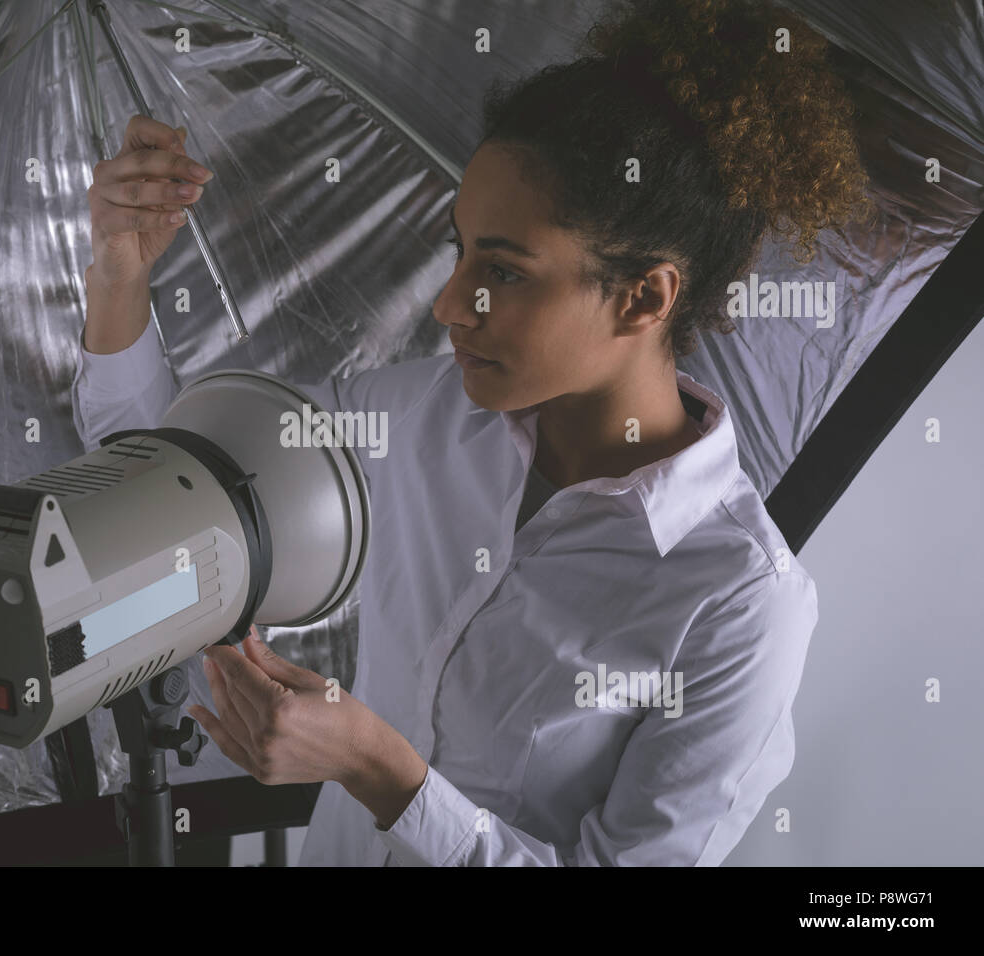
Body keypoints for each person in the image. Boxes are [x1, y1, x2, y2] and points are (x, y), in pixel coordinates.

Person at [71, 0, 871, 865]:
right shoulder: (427, 413)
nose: (451, 306)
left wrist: (381, 772)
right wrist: (119, 270)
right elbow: (172, 477)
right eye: (459, 253)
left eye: (501, 271)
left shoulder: (739, 604)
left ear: (644, 297)